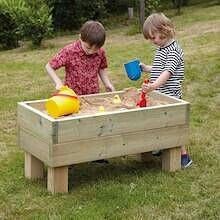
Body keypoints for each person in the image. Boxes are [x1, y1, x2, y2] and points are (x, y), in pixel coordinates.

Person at [46, 20, 115, 164]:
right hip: (71, 98)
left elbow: (101, 68)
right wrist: (58, 82)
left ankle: (96, 155)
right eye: (88, 47)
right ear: (80, 38)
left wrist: (107, 83)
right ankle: (69, 159)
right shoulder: (69, 51)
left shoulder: (100, 52)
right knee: (72, 128)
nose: (91, 51)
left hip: (92, 96)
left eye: (95, 49)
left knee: (95, 125)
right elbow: (49, 66)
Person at [140, 12, 192, 168]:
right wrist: (146, 68)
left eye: (153, 37)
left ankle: (183, 156)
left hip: (170, 94)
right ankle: (163, 145)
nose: (152, 41)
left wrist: (153, 86)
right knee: (160, 121)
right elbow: (159, 68)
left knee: (173, 125)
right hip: (161, 93)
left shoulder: (174, 50)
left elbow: (167, 72)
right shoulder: (163, 48)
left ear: (164, 30)